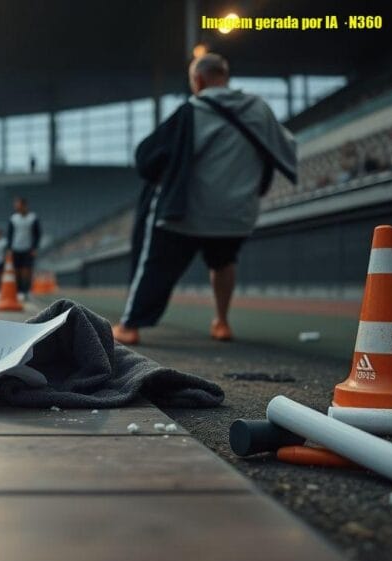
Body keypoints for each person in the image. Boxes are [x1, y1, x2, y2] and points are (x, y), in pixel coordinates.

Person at [112, 53, 297, 345]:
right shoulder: (259, 109)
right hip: (237, 212)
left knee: (156, 264)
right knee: (223, 262)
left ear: (198, 80)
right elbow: (285, 147)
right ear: (225, 76)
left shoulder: (192, 111)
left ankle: (130, 325)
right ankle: (222, 322)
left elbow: (146, 156)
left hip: (189, 212)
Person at [6, 196, 41, 299]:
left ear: (24, 205)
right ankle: (19, 291)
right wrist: (9, 248)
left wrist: (35, 247)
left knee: (26, 271)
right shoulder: (13, 218)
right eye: (16, 205)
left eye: (18, 205)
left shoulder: (33, 218)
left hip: (28, 249)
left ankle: (27, 291)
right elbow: (10, 234)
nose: (16, 207)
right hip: (16, 248)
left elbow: (37, 234)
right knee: (17, 272)